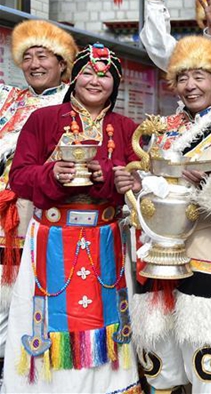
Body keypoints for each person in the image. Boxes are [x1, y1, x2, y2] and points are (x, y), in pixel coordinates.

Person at [116, 36, 211, 393]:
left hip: (210, 252)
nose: (190, 85)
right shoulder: (164, 129)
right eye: (183, 77)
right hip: (160, 255)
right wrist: (136, 182)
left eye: (200, 76)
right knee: (160, 363)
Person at [2, 44, 140, 393]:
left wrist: (122, 179)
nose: (96, 80)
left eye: (105, 74)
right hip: (51, 239)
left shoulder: (126, 128)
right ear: (74, 76)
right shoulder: (44, 120)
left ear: (116, 82)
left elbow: (138, 182)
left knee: (108, 324)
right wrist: (52, 174)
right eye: (89, 72)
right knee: (47, 326)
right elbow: (19, 177)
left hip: (106, 243)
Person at [0, 20, 78, 364]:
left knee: (28, 304)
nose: (34, 64)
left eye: (43, 56)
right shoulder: (11, 100)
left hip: (39, 220)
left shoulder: (73, 105)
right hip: (4, 220)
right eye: (28, 57)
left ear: (62, 63)